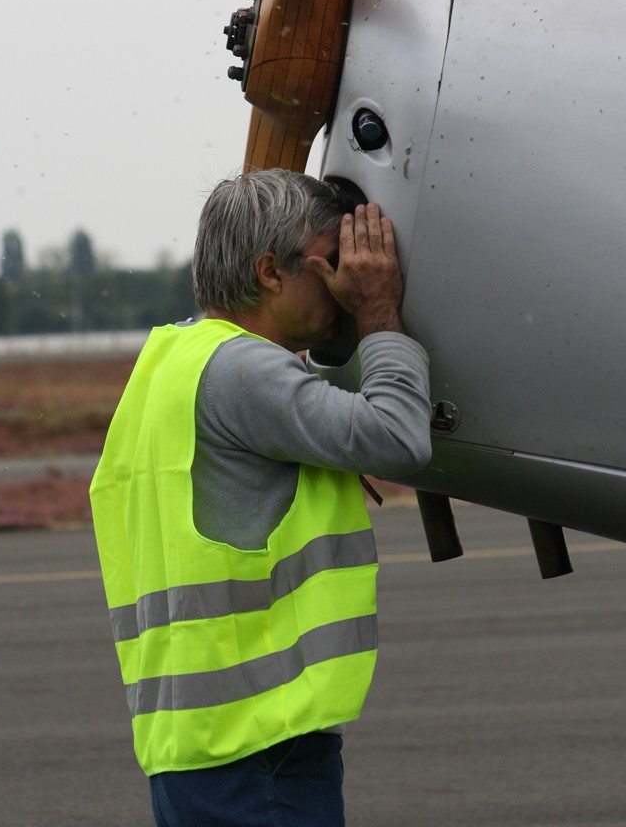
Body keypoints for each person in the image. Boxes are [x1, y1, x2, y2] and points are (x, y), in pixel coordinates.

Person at [90, 169, 432, 827]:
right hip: (259, 748)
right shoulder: (245, 371)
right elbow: (397, 438)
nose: (347, 280)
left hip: (198, 744)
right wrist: (378, 312)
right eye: (331, 263)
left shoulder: (171, 360)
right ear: (272, 272)